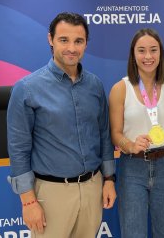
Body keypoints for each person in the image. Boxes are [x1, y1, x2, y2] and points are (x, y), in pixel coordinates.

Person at [7, 12, 116, 238]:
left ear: (86, 43)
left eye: (79, 41)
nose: (72, 48)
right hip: (51, 194)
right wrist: (28, 202)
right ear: (50, 39)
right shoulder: (27, 89)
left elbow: (104, 135)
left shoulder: (94, 85)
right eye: (64, 40)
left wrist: (109, 180)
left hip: (92, 189)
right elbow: (19, 148)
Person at [108, 28, 164, 238]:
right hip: (132, 166)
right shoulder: (120, 89)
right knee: (133, 232)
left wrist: (163, 134)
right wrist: (130, 145)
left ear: (160, 54)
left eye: (153, 50)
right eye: (141, 51)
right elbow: (115, 134)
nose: (148, 56)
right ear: (133, 55)